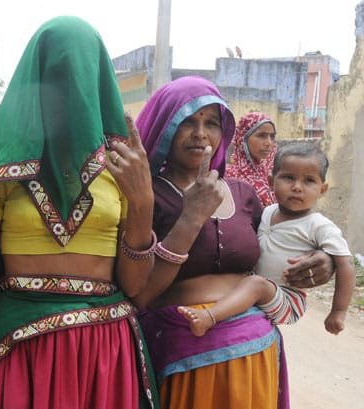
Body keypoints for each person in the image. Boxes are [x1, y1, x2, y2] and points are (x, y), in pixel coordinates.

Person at [0, 16, 159, 409]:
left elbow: (134, 285)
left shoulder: (123, 166)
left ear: (99, 85)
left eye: (81, 78)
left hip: (105, 353)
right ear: (32, 83)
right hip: (19, 347)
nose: (69, 91)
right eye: (55, 76)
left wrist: (143, 203)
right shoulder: (1, 170)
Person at [133, 76, 335, 409]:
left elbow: (285, 242)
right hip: (181, 348)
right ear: (165, 127)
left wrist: (324, 258)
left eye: (211, 123)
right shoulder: (146, 196)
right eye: (187, 122)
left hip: (255, 351)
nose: (200, 133)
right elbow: (140, 292)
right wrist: (192, 216)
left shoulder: (243, 193)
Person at [178, 142, 355, 336]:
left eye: (309, 181)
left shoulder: (319, 225)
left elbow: (346, 264)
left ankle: (208, 318)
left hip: (289, 297)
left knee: (256, 284)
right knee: (241, 282)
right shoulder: (267, 212)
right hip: (258, 288)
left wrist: (338, 312)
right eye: (288, 178)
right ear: (271, 181)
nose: (297, 187)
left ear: (323, 189)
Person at [225, 111, 278, 206]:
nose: (269, 143)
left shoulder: (269, 174)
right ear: (243, 139)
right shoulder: (228, 176)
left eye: (272, 136)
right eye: (262, 135)